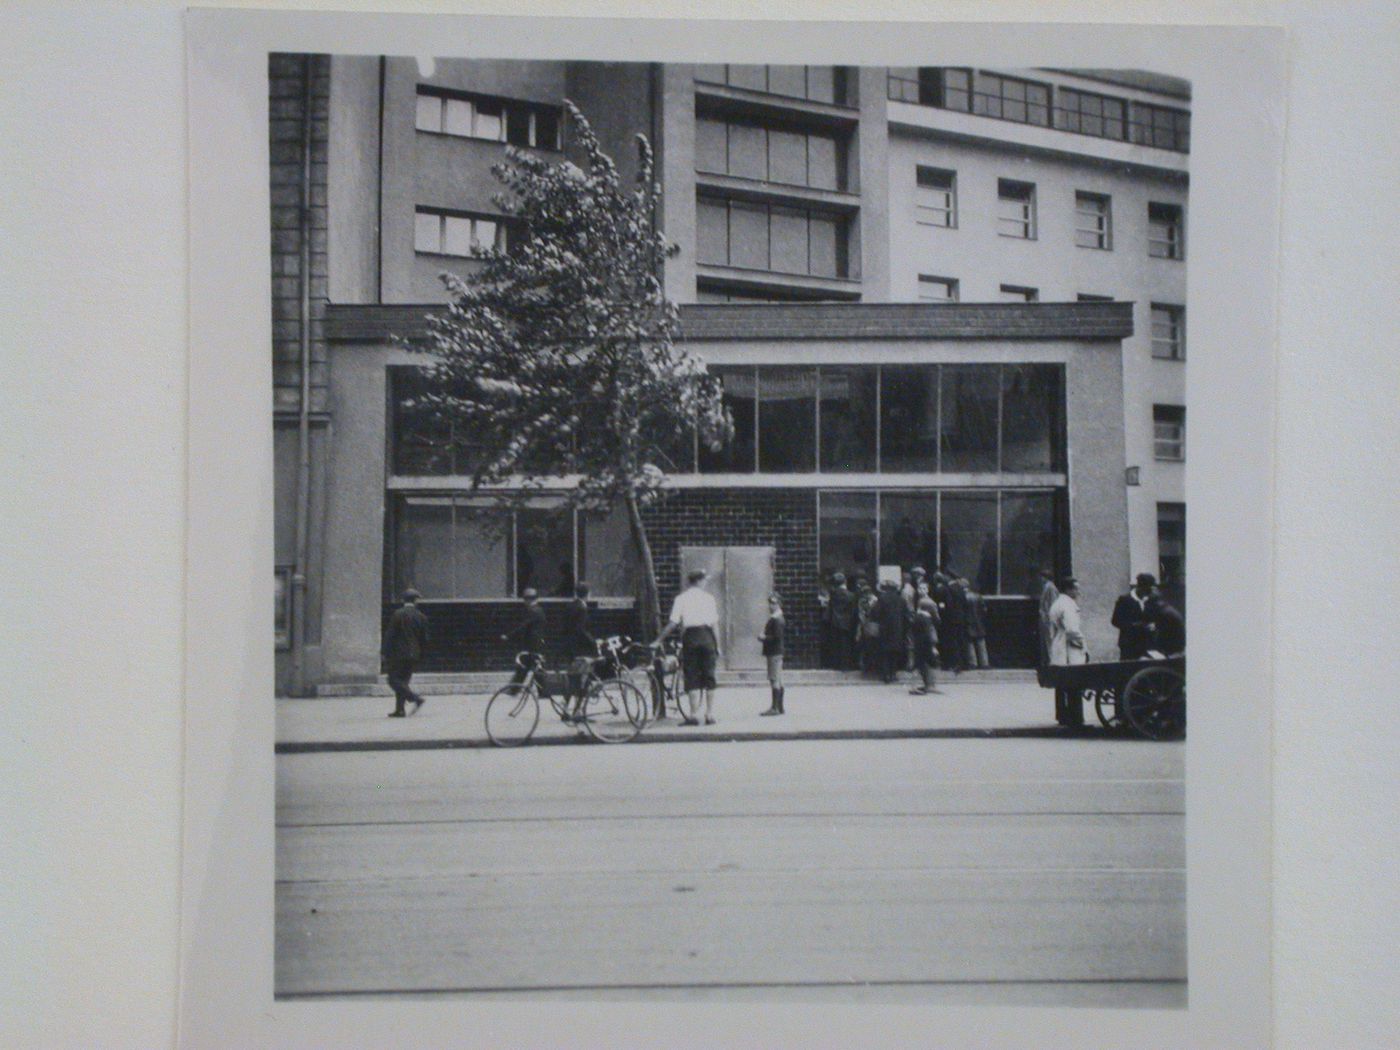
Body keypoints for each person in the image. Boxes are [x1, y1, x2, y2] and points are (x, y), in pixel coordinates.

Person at [657, 569, 721, 726]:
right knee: (709, 675)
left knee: (691, 675)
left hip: (691, 637)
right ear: (699, 581)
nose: (705, 582)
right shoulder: (709, 598)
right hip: (707, 637)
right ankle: (710, 714)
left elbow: (673, 622)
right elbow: (714, 625)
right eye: (704, 580)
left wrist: (659, 640)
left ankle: (693, 715)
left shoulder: (681, 599)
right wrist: (718, 645)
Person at [1048, 576, 1088, 726]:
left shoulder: (1057, 603)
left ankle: (1062, 715)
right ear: (1068, 589)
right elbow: (1072, 630)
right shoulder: (1068, 605)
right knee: (1074, 683)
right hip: (1069, 648)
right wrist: (1082, 643)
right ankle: (1075, 717)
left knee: (1062, 684)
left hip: (1059, 644)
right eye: (1076, 588)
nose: (1078, 591)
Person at [383, 588, 429, 718]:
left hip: (399, 654)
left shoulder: (398, 614)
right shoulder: (421, 617)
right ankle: (400, 710)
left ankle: (415, 698)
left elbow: (390, 635)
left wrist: (385, 652)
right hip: (414, 654)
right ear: (415, 601)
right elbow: (425, 639)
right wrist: (421, 654)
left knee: (393, 680)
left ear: (403, 600)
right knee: (403, 681)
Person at [500, 587, 547, 685]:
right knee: (533, 668)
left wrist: (508, 636)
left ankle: (514, 689)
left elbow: (522, 626)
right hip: (537, 644)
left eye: (526, 599)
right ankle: (543, 692)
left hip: (533, 645)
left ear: (528, 600)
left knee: (526, 667)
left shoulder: (533, 611)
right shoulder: (539, 610)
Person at [563, 582, 596, 719]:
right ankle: (578, 712)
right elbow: (581, 630)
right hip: (581, 650)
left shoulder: (570, 606)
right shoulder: (582, 608)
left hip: (571, 648)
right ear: (587, 594)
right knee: (585, 678)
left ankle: (565, 710)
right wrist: (593, 642)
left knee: (573, 680)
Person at [1111, 573, 1158, 660]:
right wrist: (1136, 626)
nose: (1148, 593)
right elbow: (1115, 621)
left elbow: (1155, 617)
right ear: (1140, 587)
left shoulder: (1151, 599)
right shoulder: (1124, 600)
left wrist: (1154, 625)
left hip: (1147, 644)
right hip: (1129, 645)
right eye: (1147, 590)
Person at [875, 579, 908, 684]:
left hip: (885, 628)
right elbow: (906, 615)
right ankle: (893, 674)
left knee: (885, 652)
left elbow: (876, 613)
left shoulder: (882, 599)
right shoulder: (901, 600)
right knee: (895, 652)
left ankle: (886, 675)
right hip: (898, 628)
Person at [758, 593, 786, 716]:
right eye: (770, 603)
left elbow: (776, 637)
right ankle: (780, 707)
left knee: (774, 678)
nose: (771, 605)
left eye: (774, 603)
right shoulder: (776, 618)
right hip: (776, 652)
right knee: (777, 679)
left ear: (779, 604)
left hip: (774, 652)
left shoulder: (777, 619)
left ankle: (775, 708)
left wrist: (763, 638)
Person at [909, 595, 941, 695]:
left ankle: (926, 685)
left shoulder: (917, 617)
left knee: (920, 665)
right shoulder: (926, 619)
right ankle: (926, 685)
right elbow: (928, 634)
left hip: (918, 644)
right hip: (925, 645)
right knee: (924, 665)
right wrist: (932, 646)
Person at [827, 572, 857, 671]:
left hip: (835, 621)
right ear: (845, 582)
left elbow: (830, 608)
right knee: (846, 644)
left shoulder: (833, 595)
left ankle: (836, 664)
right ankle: (846, 665)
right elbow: (853, 611)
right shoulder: (851, 595)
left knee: (836, 644)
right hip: (847, 622)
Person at [942, 574, 969, 673]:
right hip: (961, 618)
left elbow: (948, 604)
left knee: (953, 641)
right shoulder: (960, 589)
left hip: (952, 619)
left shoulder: (948, 589)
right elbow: (965, 604)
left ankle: (954, 663)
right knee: (961, 640)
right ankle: (964, 663)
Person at [962, 578, 990, 669]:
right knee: (981, 643)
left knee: (969, 643)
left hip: (968, 622)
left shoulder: (962, 597)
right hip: (979, 622)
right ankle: (984, 663)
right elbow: (984, 610)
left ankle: (972, 663)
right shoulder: (977, 596)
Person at [1036, 569, 1060, 668]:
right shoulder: (1046, 587)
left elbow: (1053, 604)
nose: (1040, 579)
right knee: (1046, 642)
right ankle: (1047, 663)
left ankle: (1051, 662)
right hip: (1045, 619)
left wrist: (1050, 618)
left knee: (1049, 641)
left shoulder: (1050, 588)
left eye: (1042, 577)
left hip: (1048, 620)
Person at [855, 577, 879, 676]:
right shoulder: (865, 600)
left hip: (870, 625)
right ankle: (866, 665)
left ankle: (869, 666)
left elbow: (862, 614)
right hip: (868, 625)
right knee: (866, 646)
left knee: (869, 646)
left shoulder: (873, 601)